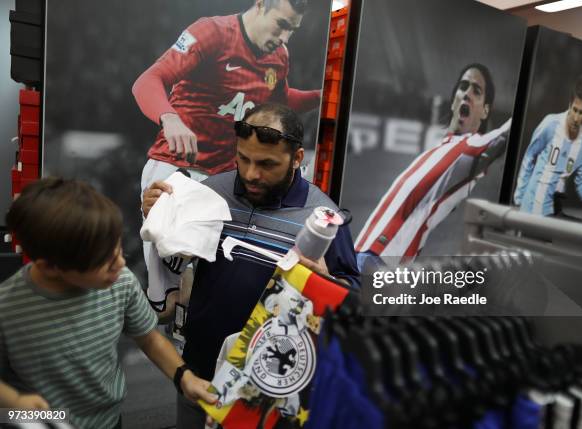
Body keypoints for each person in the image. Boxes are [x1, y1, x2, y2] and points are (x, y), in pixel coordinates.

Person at [142, 103, 359, 428]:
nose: (251, 174)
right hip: (198, 372)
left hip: (269, 390)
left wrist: (327, 283)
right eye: (243, 158)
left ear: (297, 159)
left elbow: (353, 298)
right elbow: (172, 254)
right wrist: (157, 212)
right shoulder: (209, 192)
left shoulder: (324, 219)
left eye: (266, 164)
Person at [0, 178, 217, 429]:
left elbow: (149, 337)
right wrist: (16, 404)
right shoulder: (7, 309)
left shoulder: (120, 282)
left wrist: (184, 377)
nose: (121, 264)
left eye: (117, 248)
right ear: (49, 266)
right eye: (103, 260)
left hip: (109, 421)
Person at [133, 0, 321, 189]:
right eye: (281, 25)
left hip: (224, 179)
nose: (285, 38)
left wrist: (321, 96)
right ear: (260, 5)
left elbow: (281, 102)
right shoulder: (212, 32)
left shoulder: (279, 57)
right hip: (176, 168)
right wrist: (170, 119)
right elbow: (148, 80)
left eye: (292, 30)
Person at [355, 63, 511, 268]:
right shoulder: (444, 146)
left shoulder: (471, 148)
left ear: (485, 110)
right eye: (463, 86)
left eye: (477, 91)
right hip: (362, 252)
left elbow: (503, 136)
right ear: (454, 99)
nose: (467, 93)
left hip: (382, 262)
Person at [513, 75, 582, 219]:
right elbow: (529, 156)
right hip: (529, 209)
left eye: (581, 112)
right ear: (569, 105)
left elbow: (580, 182)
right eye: (574, 110)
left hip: (552, 213)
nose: (575, 117)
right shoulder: (550, 124)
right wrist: (519, 198)